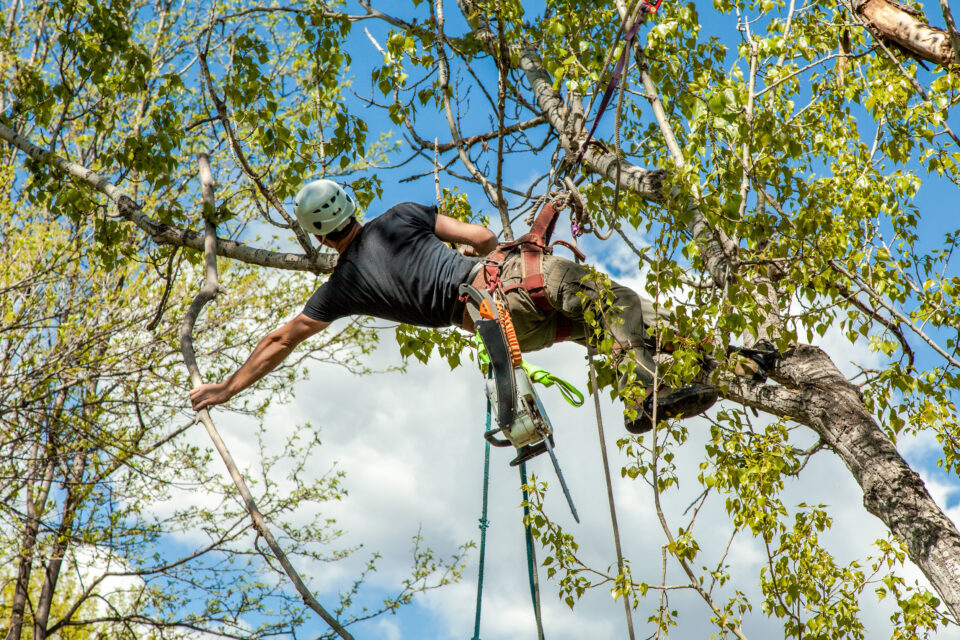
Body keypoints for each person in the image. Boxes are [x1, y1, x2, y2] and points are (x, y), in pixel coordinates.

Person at [189, 179, 718, 433]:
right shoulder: (399, 216)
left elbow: (284, 337)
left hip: (499, 330)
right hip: (506, 283)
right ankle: (646, 391)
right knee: (614, 300)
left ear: (322, 237)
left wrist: (226, 387)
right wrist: (472, 251)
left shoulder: (343, 286)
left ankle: (719, 364)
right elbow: (484, 236)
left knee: (615, 327)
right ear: (351, 206)